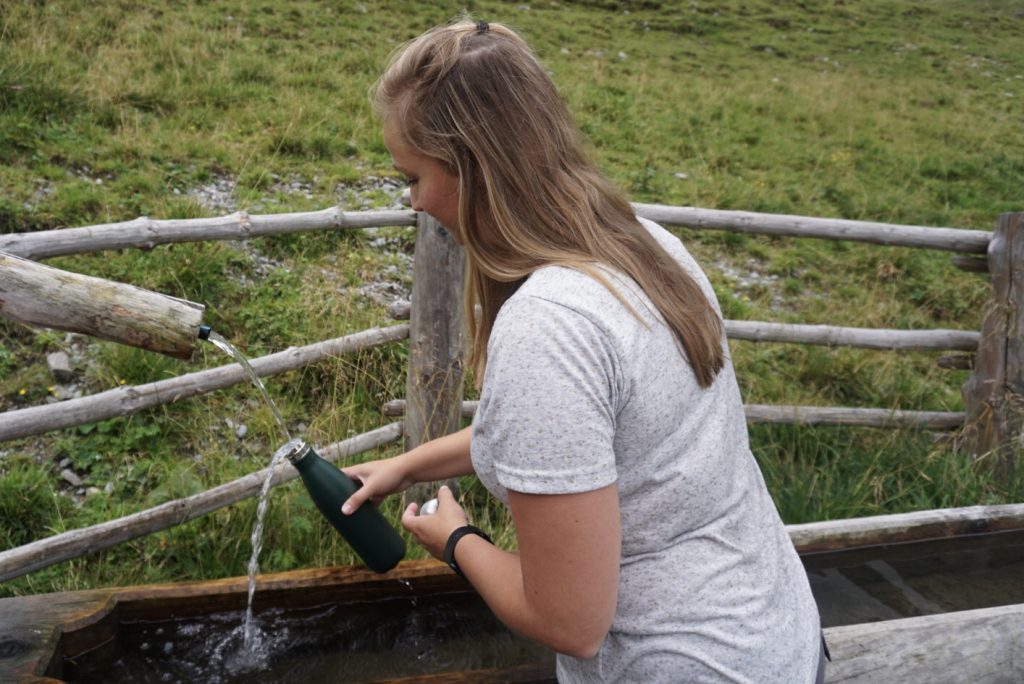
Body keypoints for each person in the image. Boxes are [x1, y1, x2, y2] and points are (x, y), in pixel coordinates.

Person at [341, 18, 824, 683]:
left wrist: (456, 539)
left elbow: (569, 621)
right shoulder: (643, 247)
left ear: (475, 170)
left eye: (413, 176)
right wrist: (409, 465)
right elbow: (585, 439)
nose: (414, 202)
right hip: (776, 637)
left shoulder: (548, 327)